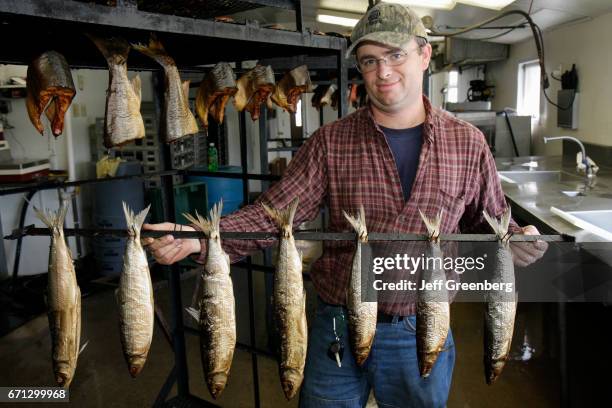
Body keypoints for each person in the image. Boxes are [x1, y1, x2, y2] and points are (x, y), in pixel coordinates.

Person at [143, 2, 547, 407]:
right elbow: (274, 212)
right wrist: (201, 238)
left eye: (395, 55)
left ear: (424, 55)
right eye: (370, 61)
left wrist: (516, 239)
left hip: (422, 327)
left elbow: (489, 220)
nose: (383, 71)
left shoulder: (468, 142)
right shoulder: (330, 142)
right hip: (336, 324)